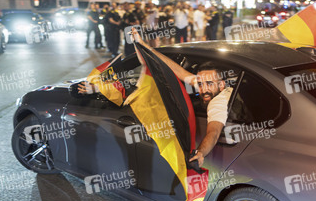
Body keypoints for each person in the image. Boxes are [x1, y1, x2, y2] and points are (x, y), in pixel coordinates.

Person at [79, 29, 233, 167]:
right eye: (200, 83)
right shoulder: (208, 85)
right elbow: (175, 69)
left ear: (221, 85)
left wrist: (201, 152)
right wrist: (143, 45)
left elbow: (213, 132)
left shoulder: (219, 101)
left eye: (209, 84)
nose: (203, 88)